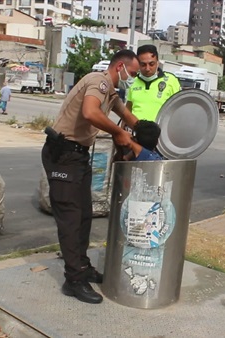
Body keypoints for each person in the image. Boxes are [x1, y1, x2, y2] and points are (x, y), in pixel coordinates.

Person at [41, 49, 140, 304]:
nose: (134, 79)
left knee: (84, 214)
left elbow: (128, 117)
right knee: (71, 218)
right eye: (134, 73)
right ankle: (73, 281)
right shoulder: (99, 81)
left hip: (79, 155)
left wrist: (147, 135)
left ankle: (82, 268)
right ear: (121, 67)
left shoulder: (111, 92)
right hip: (63, 153)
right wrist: (119, 134)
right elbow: (90, 112)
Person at [125, 44, 181, 123]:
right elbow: (128, 109)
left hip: (160, 133)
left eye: (151, 64)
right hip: (136, 132)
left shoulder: (171, 80)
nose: (147, 69)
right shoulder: (132, 81)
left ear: (157, 62)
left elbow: (179, 109)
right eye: (143, 65)